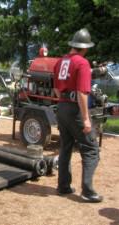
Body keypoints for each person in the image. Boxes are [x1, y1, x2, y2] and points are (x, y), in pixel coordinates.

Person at [53, 28, 103, 203]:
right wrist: (86, 118)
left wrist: (64, 103)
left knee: (66, 146)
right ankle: (87, 191)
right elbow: (82, 93)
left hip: (62, 107)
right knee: (91, 149)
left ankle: (63, 185)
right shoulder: (82, 63)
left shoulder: (60, 62)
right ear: (84, 47)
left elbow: (56, 89)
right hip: (75, 109)